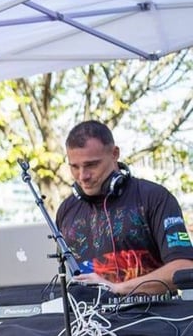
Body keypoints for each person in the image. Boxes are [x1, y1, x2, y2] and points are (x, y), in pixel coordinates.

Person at [56, 120, 193, 296]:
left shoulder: (154, 197)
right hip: (90, 321)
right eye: (74, 167)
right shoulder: (66, 210)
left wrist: (118, 289)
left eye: (91, 165)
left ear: (115, 154)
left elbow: (184, 268)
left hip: (155, 319)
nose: (83, 176)